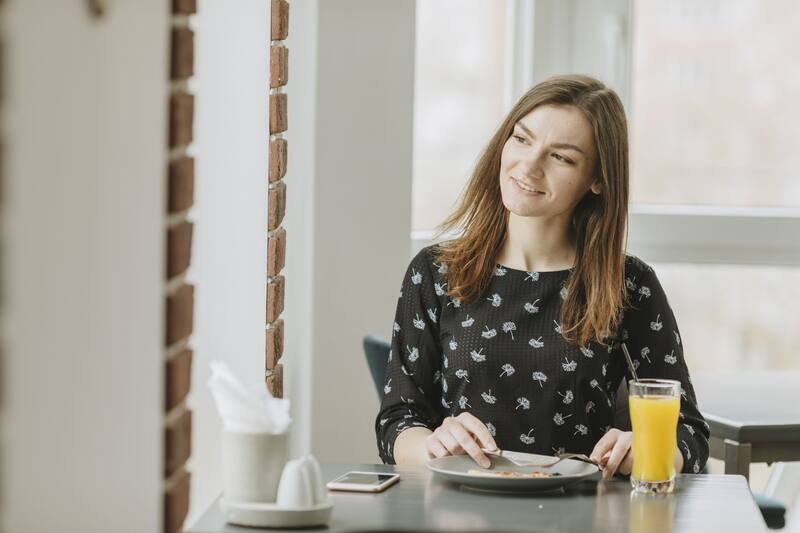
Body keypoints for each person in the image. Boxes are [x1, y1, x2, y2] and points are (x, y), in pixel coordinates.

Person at [375, 74, 709, 480]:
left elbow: (689, 433)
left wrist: (648, 449)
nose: (529, 166)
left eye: (561, 157)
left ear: (598, 179)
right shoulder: (435, 271)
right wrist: (431, 445)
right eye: (521, 139)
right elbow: (397, 421)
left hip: (581, 513)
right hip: (459, 510)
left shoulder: (629, 284)